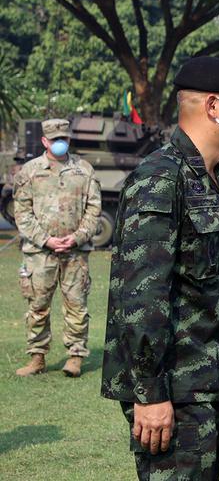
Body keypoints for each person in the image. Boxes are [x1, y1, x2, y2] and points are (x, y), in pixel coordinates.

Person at [101, 56, 219, 480]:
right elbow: (140, 296)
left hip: (206, 380)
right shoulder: (160, 178)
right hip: (171, 388)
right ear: (212, 106)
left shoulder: (211, 178)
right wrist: (149, 393)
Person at [13, 118, 101, 378]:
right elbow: (22, 213)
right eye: (55, 140)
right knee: (38, 306)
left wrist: (77, 237)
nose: (60, 143)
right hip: (40, 253)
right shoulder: (29, 172)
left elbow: (93, 209)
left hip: (75, 253)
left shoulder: (84, 170)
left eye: (64, 139)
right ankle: (37, 357)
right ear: (44, 141)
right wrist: (46, 240)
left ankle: (75, 356)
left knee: (76, 305)